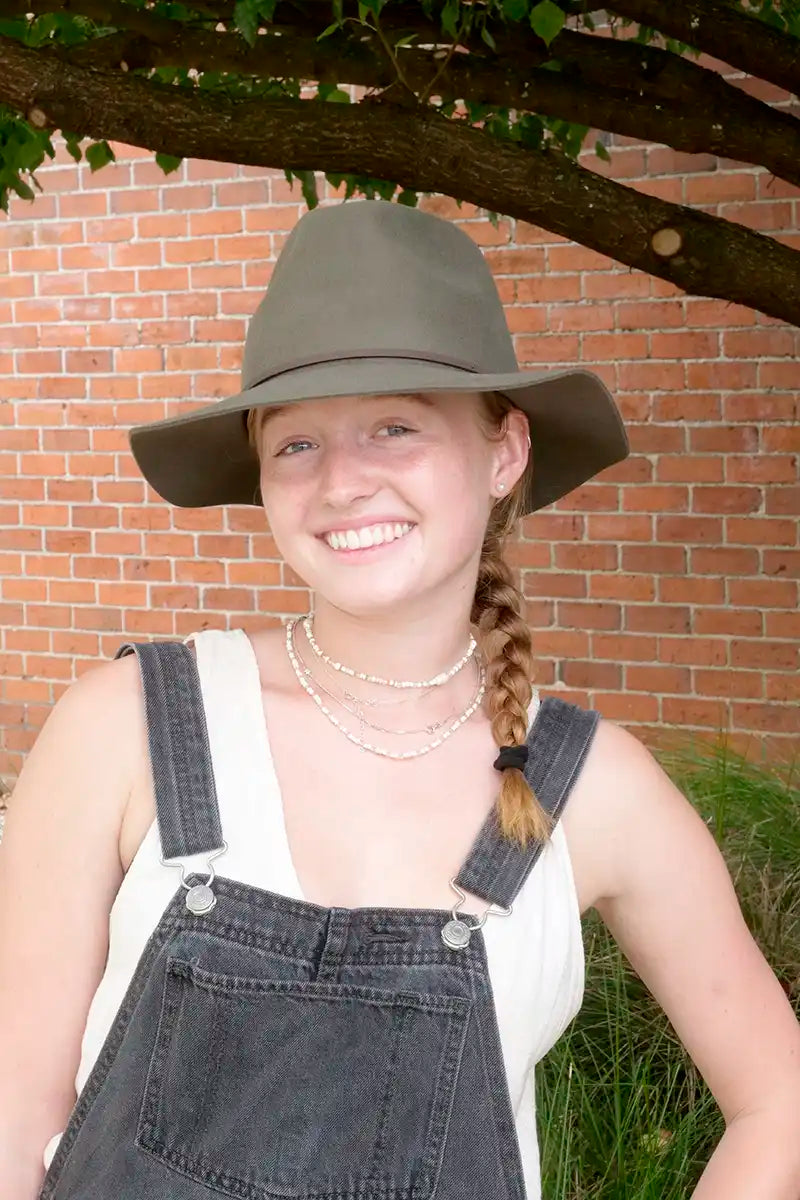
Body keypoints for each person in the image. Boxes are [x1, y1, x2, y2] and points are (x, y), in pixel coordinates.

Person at [1, 199, 799, 1200]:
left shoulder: (590, 790)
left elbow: (780, 1102)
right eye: (296, 443)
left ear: (502, 453)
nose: (342, 481)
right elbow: (13, 1116)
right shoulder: (125, 728)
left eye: (394, 426)